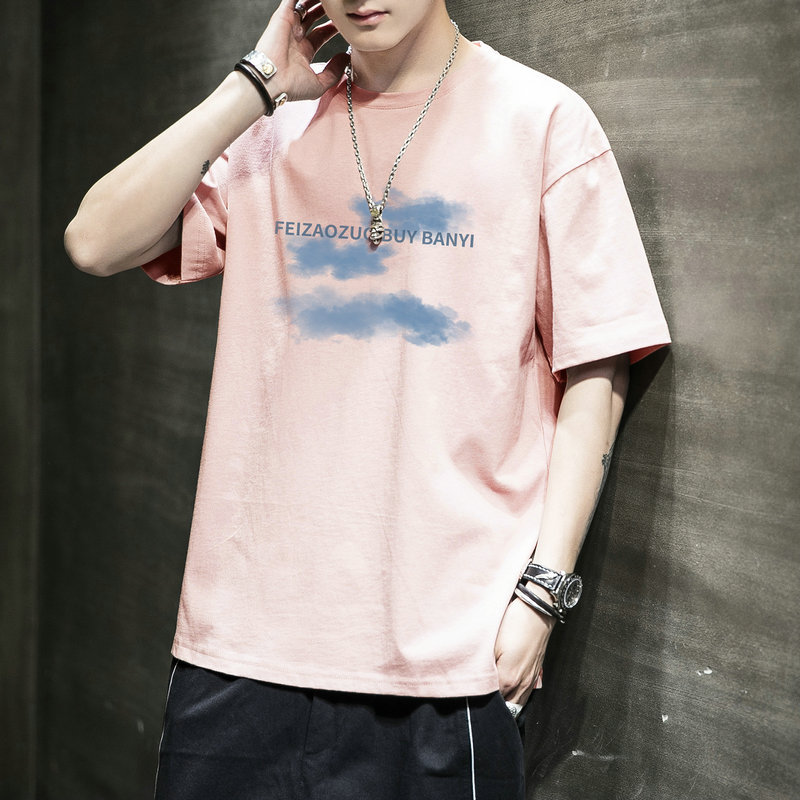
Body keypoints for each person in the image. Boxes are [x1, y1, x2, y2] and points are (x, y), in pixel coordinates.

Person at [65, 0, 670, 797]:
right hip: (241, 655)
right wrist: (253, 86)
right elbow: (94, 241)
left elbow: (596, 371)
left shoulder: (542, 122)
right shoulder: (274, 130)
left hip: (446, 663)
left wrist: (542, 594)